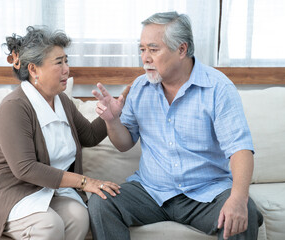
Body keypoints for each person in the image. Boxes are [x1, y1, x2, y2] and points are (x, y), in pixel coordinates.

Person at [89, 11, 263, 240]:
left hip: (205, 194)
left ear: (181, 49)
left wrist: (238, 199)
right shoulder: (139, 88)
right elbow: (124, 143)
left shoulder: (218, 88)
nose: (145, 58)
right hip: (151, 192)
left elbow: (240, 149)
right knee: (101, 202)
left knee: (245, 211)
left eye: (153, 49)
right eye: (142, 49)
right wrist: (112, 121)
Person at [0, 26, 123, 240]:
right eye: (58, 62)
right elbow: (25, 169)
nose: (66, 69)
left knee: (78, 216)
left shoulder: (61, 101)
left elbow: (88, 135)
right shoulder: (14, 107)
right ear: (33, 70)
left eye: (66, 61)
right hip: (8, 189)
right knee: (48, 225)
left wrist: (111, 115)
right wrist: (84, 181)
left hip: (45, 189)